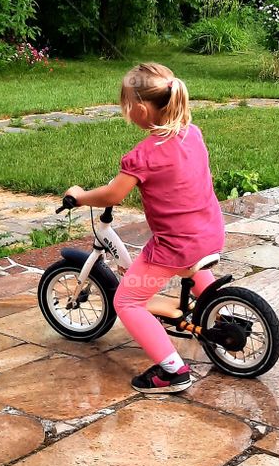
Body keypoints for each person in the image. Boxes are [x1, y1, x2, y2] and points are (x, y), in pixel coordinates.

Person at [64, 62, 225, 395]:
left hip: (175, 246)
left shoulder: (143, 155)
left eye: (126, 106)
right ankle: (218, 320)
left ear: (139, 109)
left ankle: (173, 371)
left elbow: (114, 194)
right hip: (209, 232)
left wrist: (80, 197)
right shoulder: (192, 133)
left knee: (127, 302)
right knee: (189, 266)